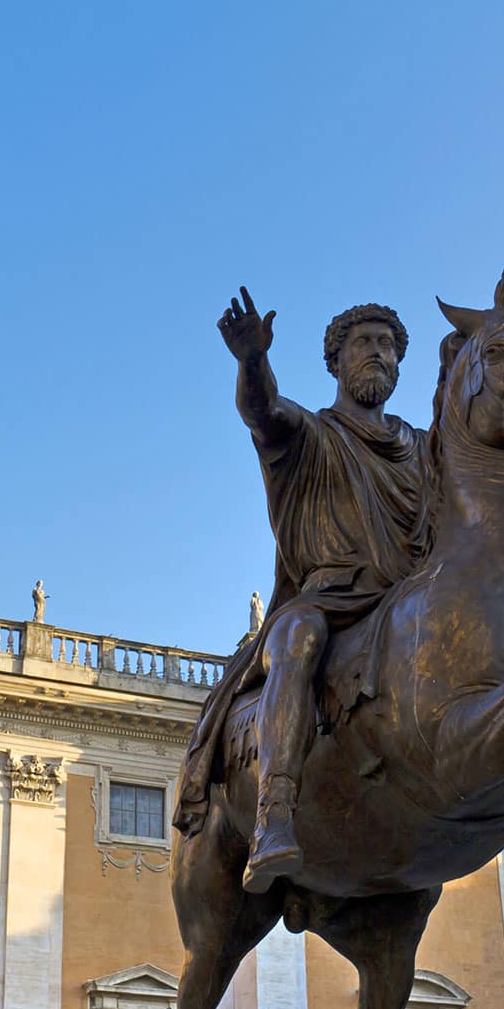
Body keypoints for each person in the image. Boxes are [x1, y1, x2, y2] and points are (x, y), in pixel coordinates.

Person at [177, 290, 432, 892]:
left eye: (390, 347)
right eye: (366, 343)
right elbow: (263, 412)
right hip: (329, 598)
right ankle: (274, 813)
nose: (381, 355)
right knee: (296, 636)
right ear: (337, 362)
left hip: (407, 600)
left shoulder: (424, 450)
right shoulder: (310, 435)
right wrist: (251, 361)